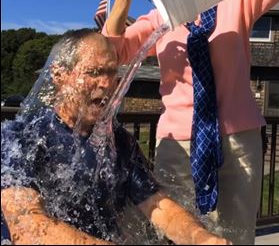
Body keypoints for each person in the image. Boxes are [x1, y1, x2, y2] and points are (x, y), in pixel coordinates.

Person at [102, 0, 279, 245]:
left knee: (237, 232)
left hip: (238, 139)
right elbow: (112, 52)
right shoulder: (159, 18)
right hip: (176, 144)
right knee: (179, 232)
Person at [1, 29, 231, 245]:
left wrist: (201, 237)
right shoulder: (20, 138)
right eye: (94, 72)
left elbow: (158, 206)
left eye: (112, 72)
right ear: (60, 75)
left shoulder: (118, 142)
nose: (107, 84)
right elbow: (27, 227)